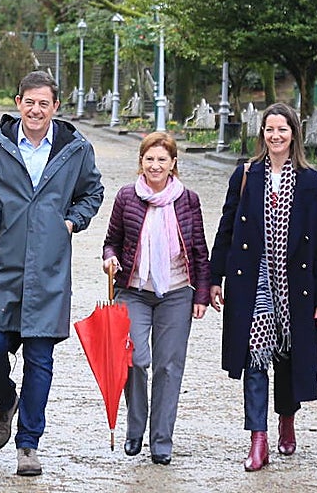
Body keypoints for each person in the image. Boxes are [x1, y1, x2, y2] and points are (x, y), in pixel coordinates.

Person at [0, 70, 105, 477]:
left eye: (44, 103)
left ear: (55, 106)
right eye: (29, 102)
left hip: (48, 269)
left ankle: (28, 445)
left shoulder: (76, 150)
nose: (36, 109)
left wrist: (71, 222)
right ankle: (6, 401)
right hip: (0, 266)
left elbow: (92, 192)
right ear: (17, 103)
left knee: (40, 359)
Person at [209, 102, 317, 472]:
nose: (275, 136)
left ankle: (287, 418)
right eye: (269, 129)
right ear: (262, 133)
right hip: (254, 279)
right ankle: (258, 438)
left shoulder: (311, 183)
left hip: (296, 283)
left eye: (282, 129)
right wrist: (215, 278)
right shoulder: (246, 175)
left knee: (289, 357)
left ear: (294, 133)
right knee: (256, 356)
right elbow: (227, 227)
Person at [101, 132, 210, 466]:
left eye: (162, 159)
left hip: (176, 292)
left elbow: (200, 251)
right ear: (141, 162)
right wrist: (109, 258)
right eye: (150, 159)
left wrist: (201, 294)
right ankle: (135, 428)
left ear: (173, 163)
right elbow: (111, 241)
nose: (155, 165)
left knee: (168, 367)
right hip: (133, 290)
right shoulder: (126, 196)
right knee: (135, 358)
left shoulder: (188, 200)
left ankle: (161, 439)